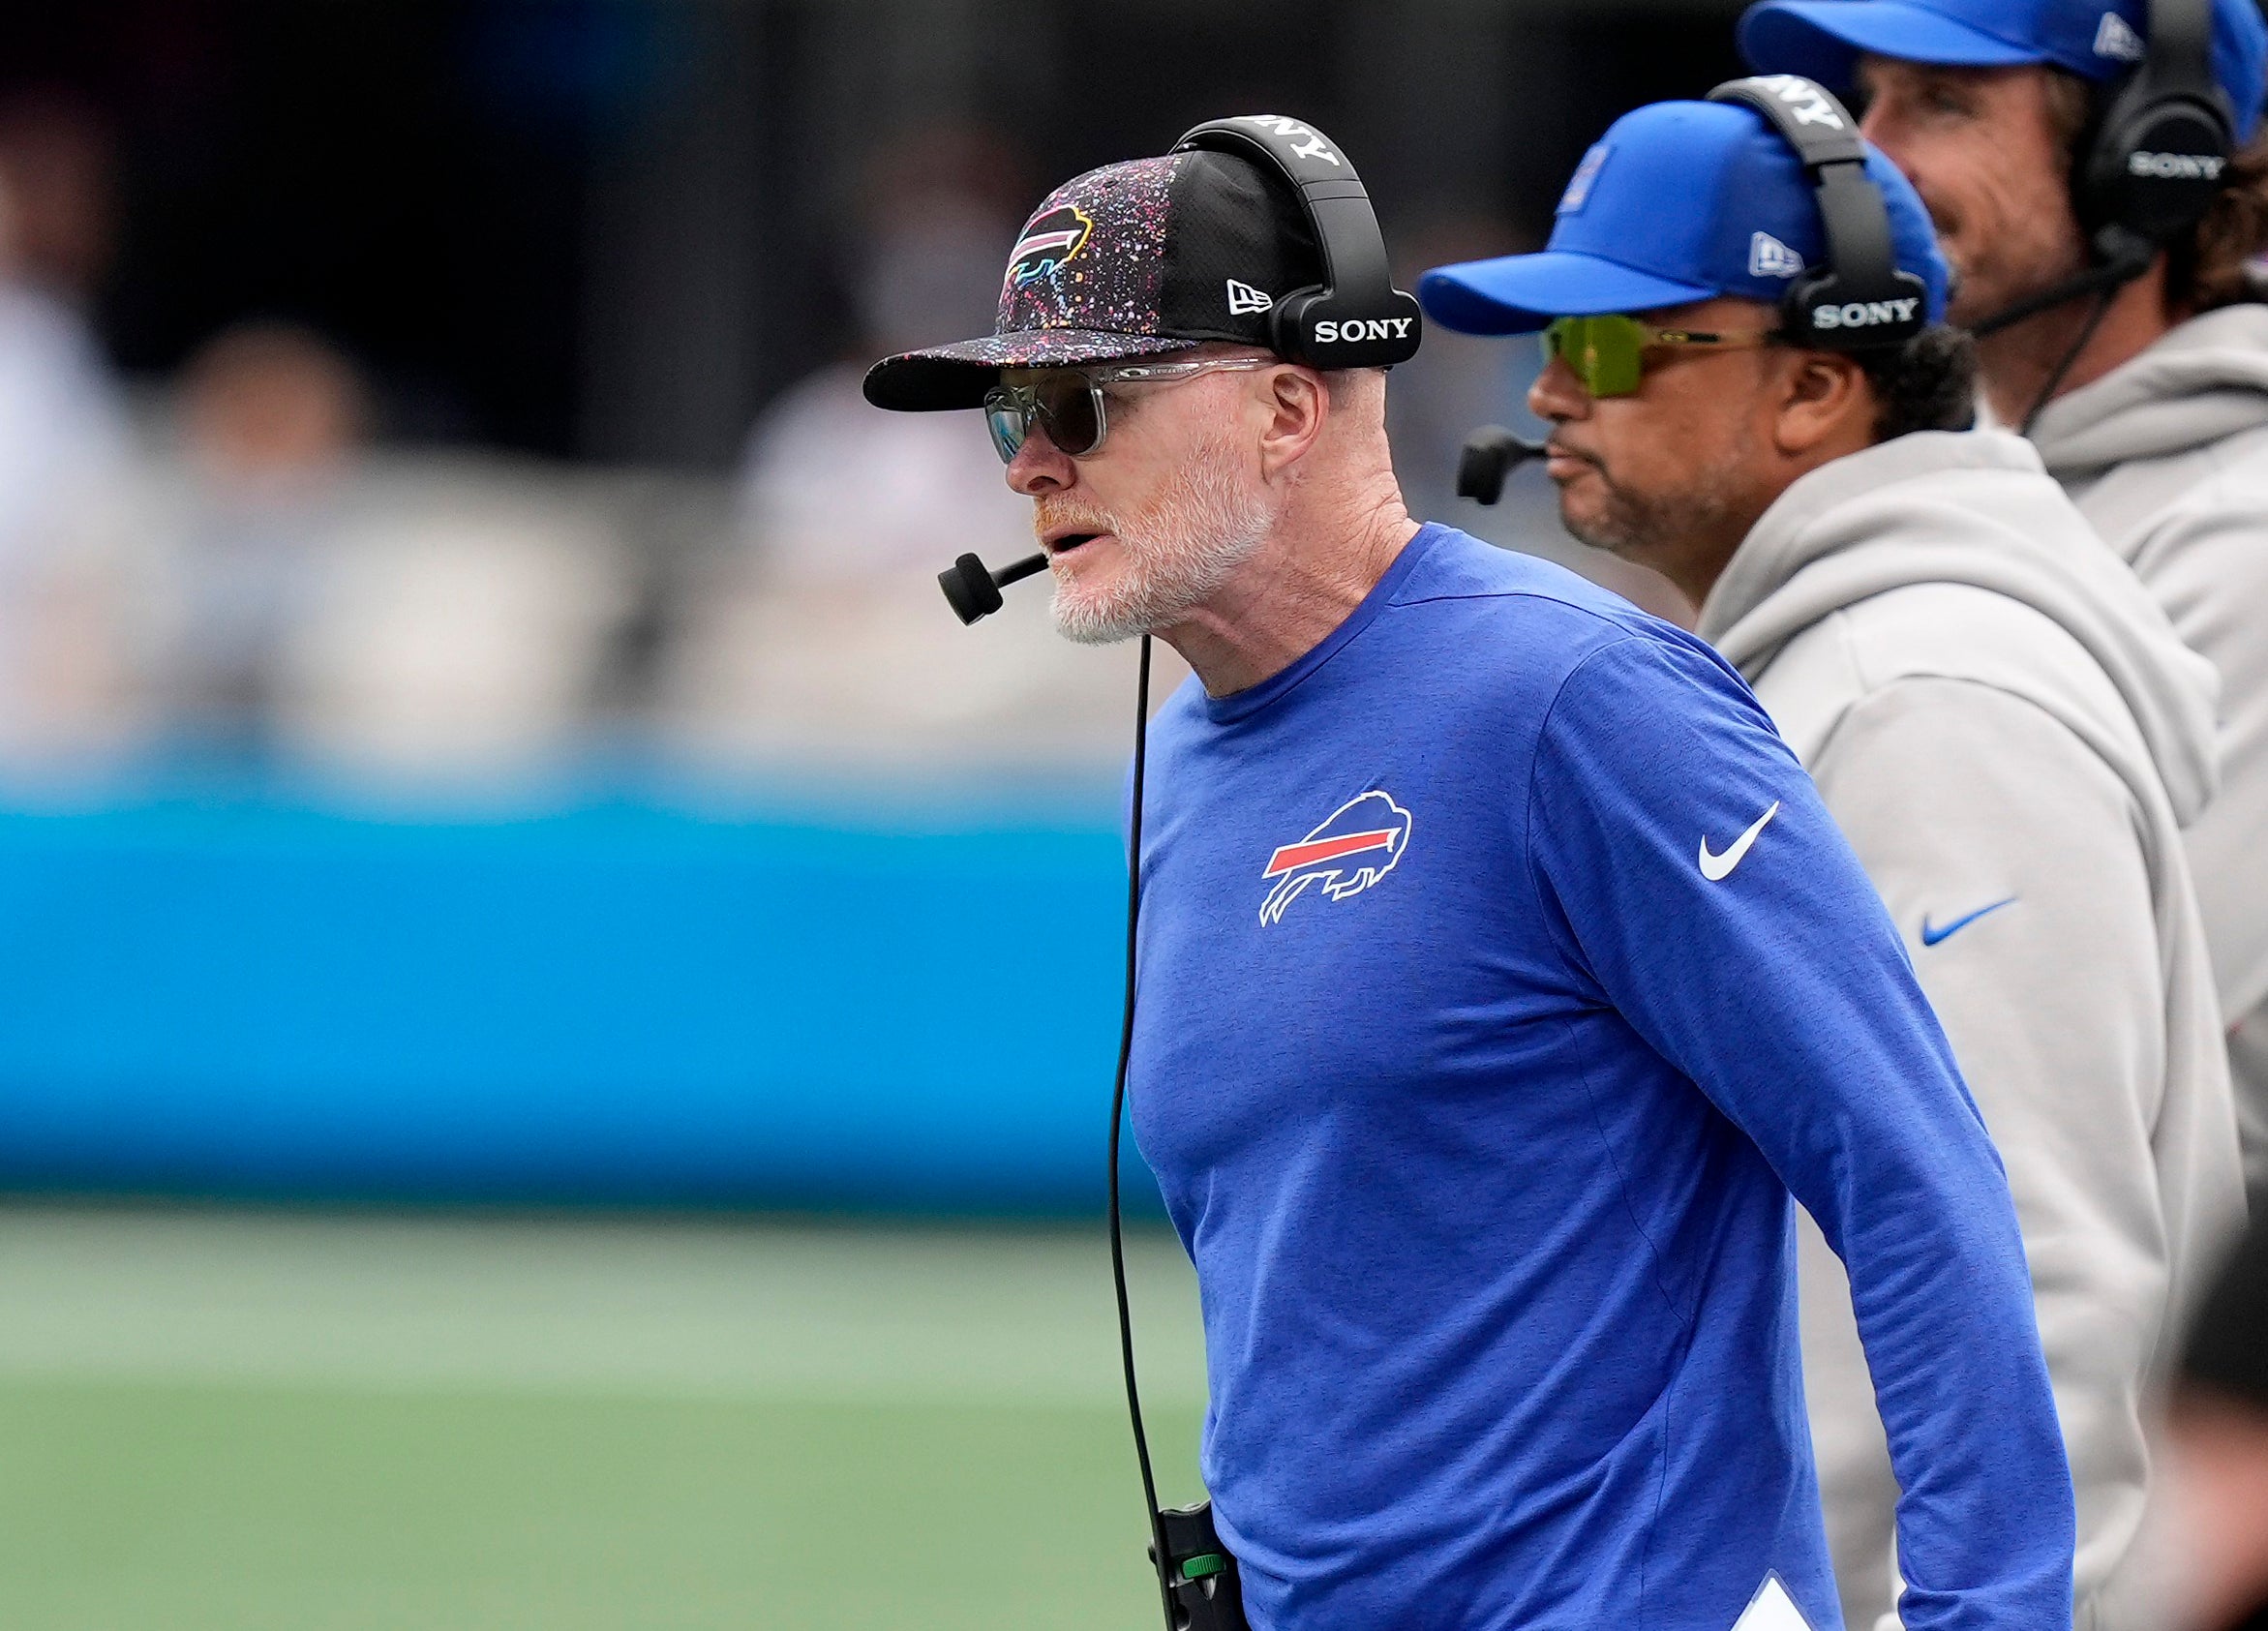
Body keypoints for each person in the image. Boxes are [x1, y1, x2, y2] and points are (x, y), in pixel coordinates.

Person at [864, 114, 2072, 1631]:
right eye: (1006, 417)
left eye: (1078, 403)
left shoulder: (1579, 702)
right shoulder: (1177, 764)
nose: (1030, 464)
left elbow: (1906, 1167)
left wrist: (1986, 1612)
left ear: (1286, 407)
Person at [1419, 82, 2242, 1631]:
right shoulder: (1840, 672)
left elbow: (2020, 1266)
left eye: (1606, 342)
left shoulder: (1920, 703)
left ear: (1809, 387)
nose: (1547, 392)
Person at [1736, 0, 2268, 1208]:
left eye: (1944, 103)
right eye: (1867, 98)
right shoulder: (1947, 491)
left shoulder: (2247, 541)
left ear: (2149, 157)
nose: (1869, 155)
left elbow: (2027, 1037)